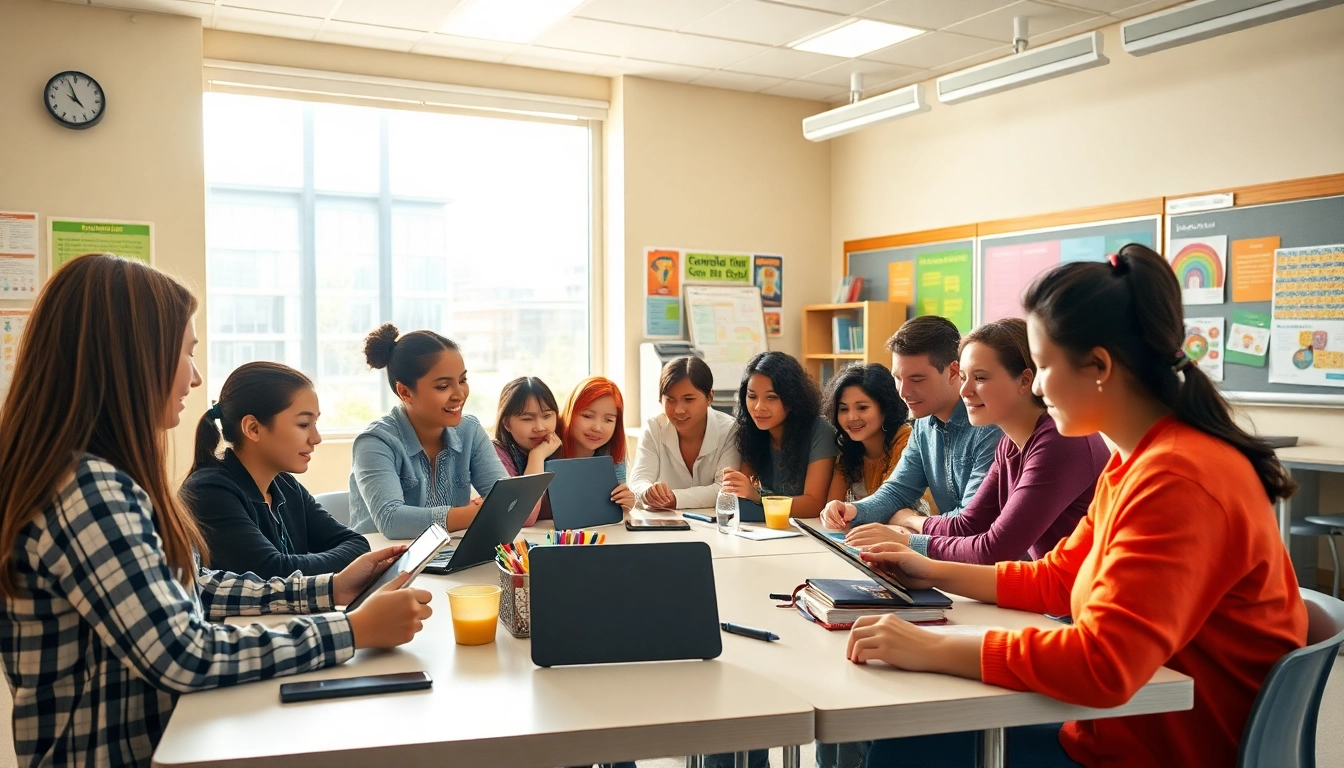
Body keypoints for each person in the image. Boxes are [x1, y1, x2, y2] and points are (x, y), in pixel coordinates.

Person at [849, 244, 1306, 767]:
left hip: (1157, 748)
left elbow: (1103, 663)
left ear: (1100, 367)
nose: (1037, 386)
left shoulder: (1177, 476)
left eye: (1042, 367)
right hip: (1117, 727)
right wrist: (928, 568)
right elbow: (1057, 579)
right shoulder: (1132, 462)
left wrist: (933, 648)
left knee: (906, 740)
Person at [0, 254, 431, 767]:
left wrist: (329, 588)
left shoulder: (91, 477)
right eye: (186, 353)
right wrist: (352, 630)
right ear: (133, 359)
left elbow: (190, 585)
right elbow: (185, 652)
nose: (196, 378)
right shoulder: (89, 490)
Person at [842, 319, 1109, 564]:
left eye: (980, 378)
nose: (965, 390)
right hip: (1040, 594)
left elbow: (994, 548)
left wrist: (909, 535)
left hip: (1070, 605)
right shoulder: (1010, 443)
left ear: (1025, 380)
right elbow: (969, 525)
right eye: (965, 377)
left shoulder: (1059, 441)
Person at [183, 361, 370, 578]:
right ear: (253, 428)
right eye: (303, 424)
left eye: (315, 423)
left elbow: (357, 545)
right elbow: (272, 571)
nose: (316, 438)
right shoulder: (209, 491)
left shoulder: (285, 485)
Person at [820, 316, 1000, 537]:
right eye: (898, 378)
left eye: (916, 379)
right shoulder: (923, 425)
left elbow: (970, 524)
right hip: (951, 552)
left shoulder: (989, 426)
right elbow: (897, 491)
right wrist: (852, 510)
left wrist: (910, 520)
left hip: (990, 564)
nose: (903, 392)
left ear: (953, 372)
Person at [349, 323, 508, 538]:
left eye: (462, 380)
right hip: (385, 563)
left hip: (448, 556)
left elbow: (508, 499)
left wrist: (490, 509)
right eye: (443, 386)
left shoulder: (470, 430)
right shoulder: (375, 443)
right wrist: (476, 513)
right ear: (405, 392)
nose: (459, 394)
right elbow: (392, 520)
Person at [721, 352, 836, 519]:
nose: (758, 407)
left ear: (792, 398)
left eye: (771, 397)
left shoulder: (819, 430)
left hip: (809, 531)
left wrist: (758, 497)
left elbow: (814, 504)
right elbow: (742, 494)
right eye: (752, 396)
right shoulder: (751, 431)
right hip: (771, 529)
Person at [629, 356, 740, 510]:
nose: (679, 410)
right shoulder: (654, 428)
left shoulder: (730, 430)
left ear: (710, 397)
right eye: (670, 399)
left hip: (714, 527)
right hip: (664, 526)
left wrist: (674, 499)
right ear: (660, 399)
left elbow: (725, 489)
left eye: (688, 399)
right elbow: (638, 482)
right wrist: (648, 493)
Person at [493, 376, 564, 526]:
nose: (540, 427)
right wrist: (537, 456)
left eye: (547, 416)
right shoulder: (496, 455)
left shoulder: (559, 447)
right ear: (506, 423)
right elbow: (524, 517)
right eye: (527, 419)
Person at [559, 376, 636, 513]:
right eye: (588, 416)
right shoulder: (548, 447)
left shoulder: (612, 450)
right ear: (571, 412)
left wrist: (626, 502)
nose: (597, 428)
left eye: (608, 420)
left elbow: (615, 502)